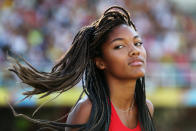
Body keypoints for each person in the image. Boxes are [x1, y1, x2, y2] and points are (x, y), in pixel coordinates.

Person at [9, 6, 156, 131]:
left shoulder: (146, 108)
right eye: (119, 46)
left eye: (138, 43)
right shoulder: (87, 111)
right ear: (100, 62)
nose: (135, 51)